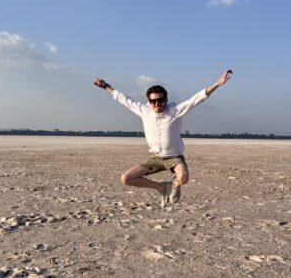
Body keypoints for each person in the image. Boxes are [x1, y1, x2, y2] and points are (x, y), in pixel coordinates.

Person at [93, 70, 233, 207]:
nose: (157, 104)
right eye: (153, 101)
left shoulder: (175, 111)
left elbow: (196, 99)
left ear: (166, 100)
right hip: (156, 158)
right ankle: (161, 187)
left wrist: (218, 83)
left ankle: (175, 184)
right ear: (149, 102)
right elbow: (124, 99)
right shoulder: (144, 110)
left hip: (174, 158)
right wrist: (106, 86)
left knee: (183, 178)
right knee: (126, 179)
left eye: (160, 100)